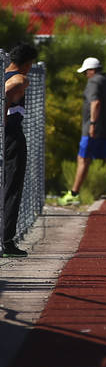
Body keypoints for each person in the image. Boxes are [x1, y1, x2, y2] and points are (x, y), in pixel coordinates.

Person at [59, 57, 106, 206]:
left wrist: (93, 124)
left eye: (86, 72)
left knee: (83, 159)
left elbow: (95, 103)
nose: (85, 76)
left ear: (91, 70)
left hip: (93, 130)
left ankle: (74, 193)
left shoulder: (93, 82)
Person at [3, 43, 39, 257]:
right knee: (12, 187)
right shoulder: (20, 77)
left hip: (6, 136)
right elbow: (13, 85)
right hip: (11, 136)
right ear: (27, 63)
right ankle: (6, 241)